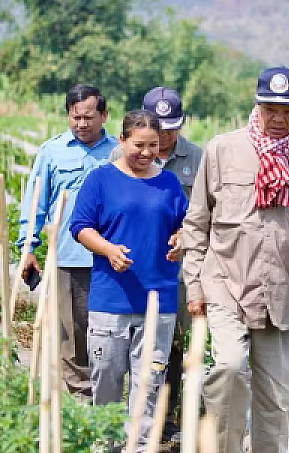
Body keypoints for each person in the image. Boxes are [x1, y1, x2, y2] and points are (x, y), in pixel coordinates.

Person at [181, 67, 289, 453]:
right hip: (226, 283)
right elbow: (197, 223)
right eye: (270, 110)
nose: (278, 118)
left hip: (279, 291)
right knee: (230, 368)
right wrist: (194, 285)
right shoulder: (222, 150)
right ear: (257, 106)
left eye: (287, 111)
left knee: (276, 397)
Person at [70, 110, 188, 449]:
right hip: (111, 300)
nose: (147, 152)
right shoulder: (101, 179)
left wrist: (181, 238)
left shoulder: (168, 183)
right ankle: (106, 445)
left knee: (148, 385)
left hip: (158, 300)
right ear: (121, 141)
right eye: (139, 145)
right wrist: (108, 249)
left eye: (153, 145)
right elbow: (81, 226)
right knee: (106, 381)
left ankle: (139, 447)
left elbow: (186, 224)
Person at [109, 86, 203, 440]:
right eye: (157, 129)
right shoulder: (119, 156)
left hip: (177, 272)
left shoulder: (198, 158)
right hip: (131, 267)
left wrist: (184, 235)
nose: (163, 138)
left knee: (172, 344)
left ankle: (165, 416)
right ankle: (125, 418)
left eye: (171, 129)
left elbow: (202, 213)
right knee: (123, 341)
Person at [17, 84, 118, 398]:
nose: (81, 124)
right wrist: (28, 247)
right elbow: (36, 202)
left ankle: (108, 396)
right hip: (67, 256)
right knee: (71, 334)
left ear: (104, 115)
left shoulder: (118, 153)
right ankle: (81, 398)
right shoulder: (52, 151)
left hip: (111, 257)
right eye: (75, 117)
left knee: (110, 332)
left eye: (88, 117)